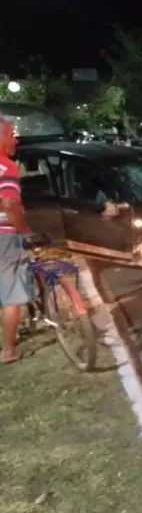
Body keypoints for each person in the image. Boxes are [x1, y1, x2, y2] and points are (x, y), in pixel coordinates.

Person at [0, 118, 34, 364]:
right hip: (5, 237)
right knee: (11, 294)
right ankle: (9, 351)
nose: (16, 139)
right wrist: (25, 232)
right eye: (11, 134)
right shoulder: (6, 167)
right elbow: (10, 203)